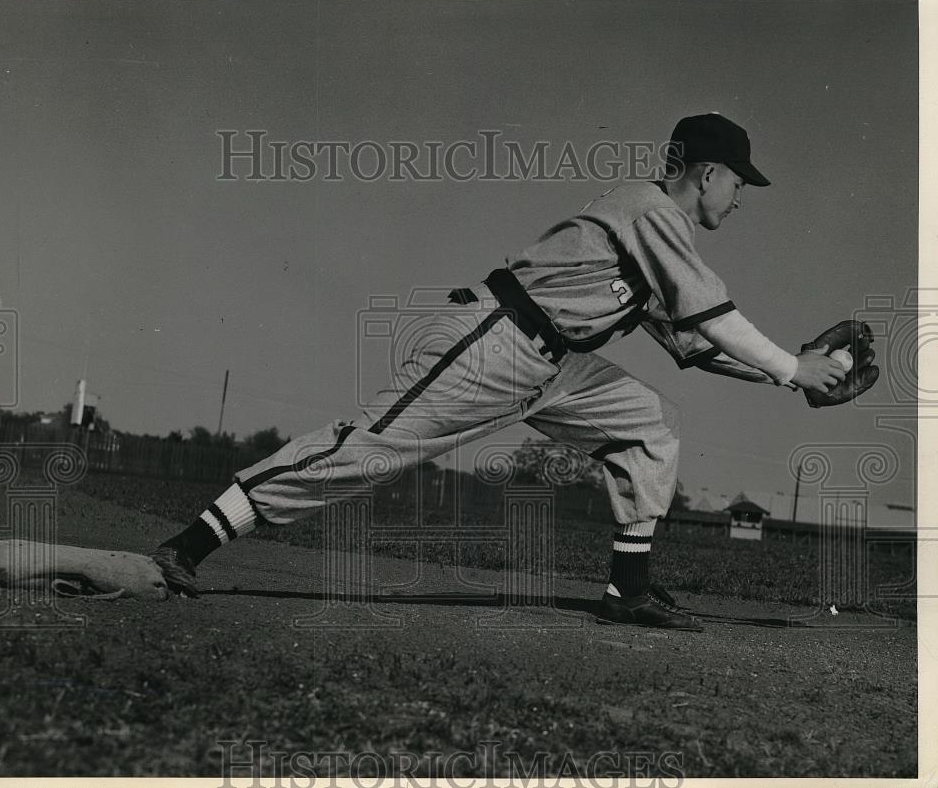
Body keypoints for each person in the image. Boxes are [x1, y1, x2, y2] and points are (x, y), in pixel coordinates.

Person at [150, 113, 845, 631]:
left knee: (652, 422)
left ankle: (627, 588)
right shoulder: (652, 209)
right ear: (708, 173)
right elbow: (716, 318)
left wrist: (792, 376)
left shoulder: (661, 236)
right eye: (738, 183)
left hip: (558, 366)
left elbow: (694, 343)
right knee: (365, 452)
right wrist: (794, 366)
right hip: (496, 339)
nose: (740, 197)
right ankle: (191, 543)